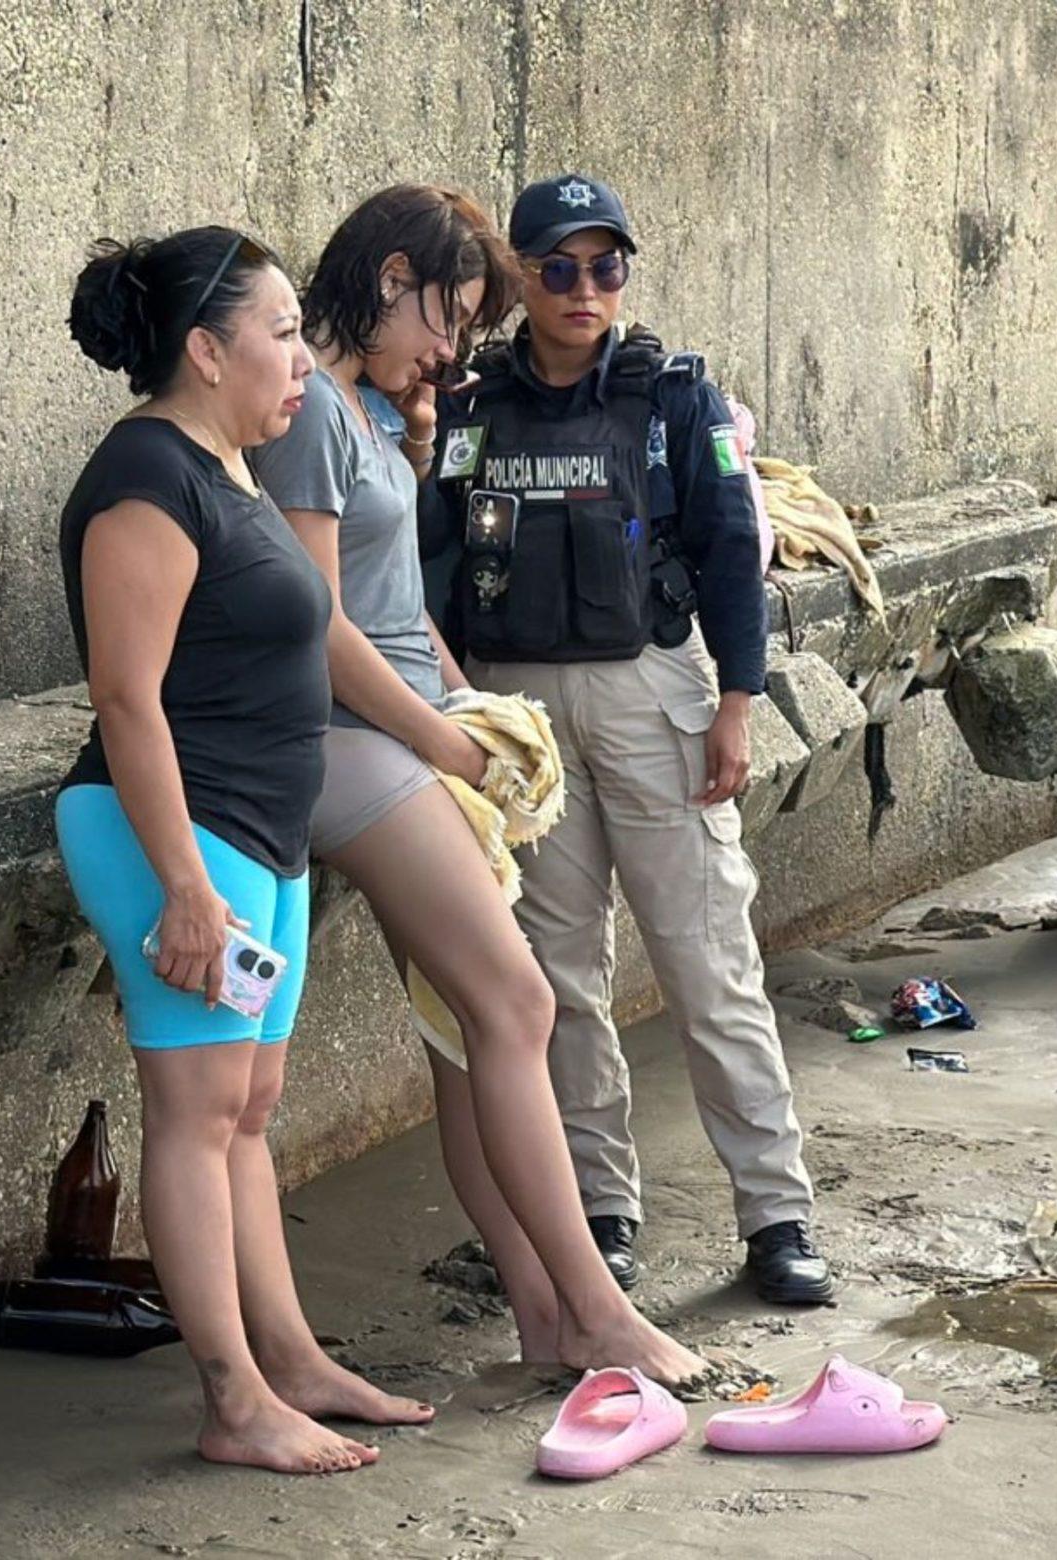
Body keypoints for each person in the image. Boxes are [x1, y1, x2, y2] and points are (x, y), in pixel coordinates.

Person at [253, 184, 725, 1391]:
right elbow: (316, 623)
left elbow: (399, 611)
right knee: (516, 1008)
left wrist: (465, 705)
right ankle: (597, 1311)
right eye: (446, 316)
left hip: (409, 728)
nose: (451, 349)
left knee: (468, 1044)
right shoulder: (308, 404)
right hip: (353, 743)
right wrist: (442, 736)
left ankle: (544, 1316)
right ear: (392, 276)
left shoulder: (361, 407)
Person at [55, 225, 433, 1476]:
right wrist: (182, 889)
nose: (304, 365)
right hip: (174, 832)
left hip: (256, 833)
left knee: (249, 1107)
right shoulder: (142, 480)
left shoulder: (226, 465)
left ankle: (290, 1360)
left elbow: (309, 634)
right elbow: (126, 700)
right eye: (281, 336)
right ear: (206, 350)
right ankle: (231, 1400)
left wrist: (450, 739)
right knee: (195, 1107)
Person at [421, 173, 832, 1304]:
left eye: (605, 267)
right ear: (520, 280)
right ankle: (599, 1213)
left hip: (654, 693)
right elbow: (432, 567)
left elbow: (727, 546)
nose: (584, 288)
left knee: (709, 962)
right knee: (558, 975)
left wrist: (737, 702)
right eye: (557, 267)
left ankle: (776, 1215)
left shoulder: (672, 400)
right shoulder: (467, 409)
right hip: (518, 713)